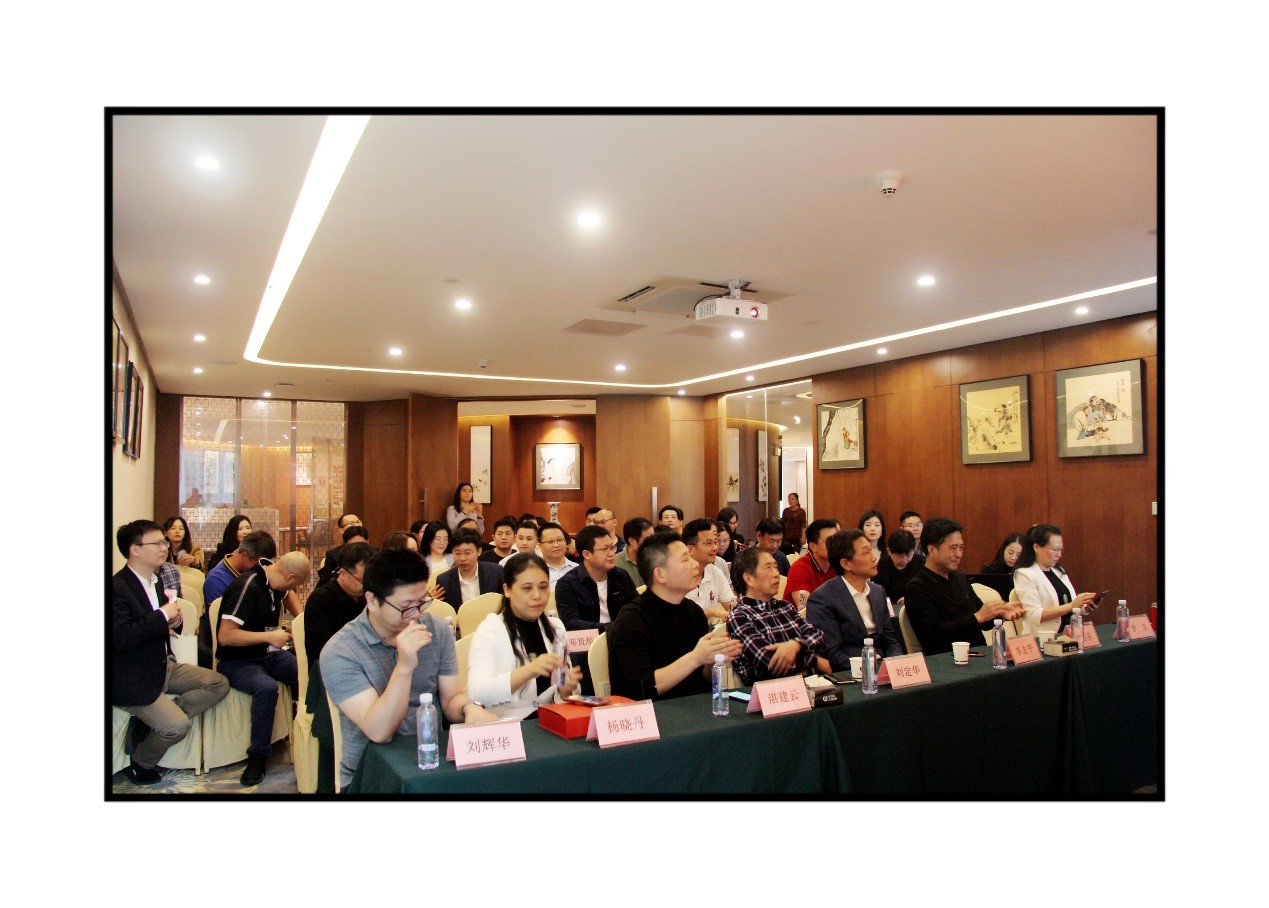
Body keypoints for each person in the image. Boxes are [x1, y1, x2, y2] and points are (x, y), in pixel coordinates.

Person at [321, 548, 498, 791]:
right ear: (371, 600)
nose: (415, 616)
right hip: (370, 775)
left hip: (430, 762)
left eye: (422, 602)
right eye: (406, 606)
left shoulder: (436, 629)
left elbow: (450, 699)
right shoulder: (340, 651)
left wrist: (468, 708)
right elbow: (379, 731)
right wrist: (404, 666)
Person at [113, 520, 229, 785]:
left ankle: (151, 722)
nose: (164, 547)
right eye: (157, 543)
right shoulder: (117, 588)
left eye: (164, 542)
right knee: (176, 726)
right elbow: (121, 637)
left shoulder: (155, 581)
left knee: (218, 683)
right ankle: (141, 763)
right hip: (132, 675)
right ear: (135, 550)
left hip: (163, 664)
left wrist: (173, 620)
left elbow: (158, 623)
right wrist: (162, 615)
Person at [606, 533, 741, 701]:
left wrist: (712, 660)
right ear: (660, 574)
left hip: (693, 707)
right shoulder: (632, 619)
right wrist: (695, 658)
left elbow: (701, 679)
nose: (695, 564)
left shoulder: (693, 612)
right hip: (649, 712)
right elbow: (640, 687)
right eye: (685, 559)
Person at [215, 551, 310, 785]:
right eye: (296, 584)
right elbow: (225, 636)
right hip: (236, 660)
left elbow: (288, 594)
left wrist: (300, 622)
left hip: (267, 654)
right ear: (289, 577)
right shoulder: (246, 587)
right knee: (266, 688)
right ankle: (257, 756)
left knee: (308, 672)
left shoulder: (275, 581)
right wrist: (268, 637)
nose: (294, 589)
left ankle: (311, 733)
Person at [466, 553, 584, 719]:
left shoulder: (556, 628)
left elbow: (564, 690)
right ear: (507, 590)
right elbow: (477, 694)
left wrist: (566, 687)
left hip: (552, 720)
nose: (537, 595)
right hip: (506, 724)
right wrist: (528, 671)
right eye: (527, 588)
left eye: (543, 587)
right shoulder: (490, 630)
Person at [902, 518, 1021, 656]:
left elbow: (983, 621)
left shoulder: (960, 578)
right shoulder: (917, 588)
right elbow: (933, 635)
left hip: (980, 654)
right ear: (932, 549)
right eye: (953, 548)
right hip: (948, 660)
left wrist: (1000, 613)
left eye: (961, 548)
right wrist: (977, 617)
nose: (958, 554)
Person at [727, 546, 829, 684]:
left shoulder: (785, 606)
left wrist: (795, 645)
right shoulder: (740, 616)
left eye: (775, 567)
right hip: (768, 690)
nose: (776, 574)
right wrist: (814, 661)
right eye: (768, 568)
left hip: (806, 684)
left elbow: (819, 636)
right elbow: (769, 661)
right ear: (749, 578)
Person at [806, 528, 905, 669]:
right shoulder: (822, 598)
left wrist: (895, 663)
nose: (873, 557)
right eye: (866, 552)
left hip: (883, 665)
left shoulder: (878, 591)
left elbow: (890, 640)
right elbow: (832, 653)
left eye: (871, 550)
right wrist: (871, 668)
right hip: (851, 670)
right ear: (846, 564)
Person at [201, 530, 278, 668]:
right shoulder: (216, 579)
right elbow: (222, 624)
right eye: (259, 563)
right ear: (244, 555)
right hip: (233, 650)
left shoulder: (257, 574)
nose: (263, 568)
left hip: (256, 643)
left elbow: (286, 590)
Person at [1012, 523, 1098, 636]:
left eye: (1061, 550)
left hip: (1069, 634)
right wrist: (1072, 606)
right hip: (1043, 638)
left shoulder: (1059, 570)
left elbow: (1068, 605)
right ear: (1037, 547)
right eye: (1055, 550)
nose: (1059, 555)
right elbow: (1034, 615)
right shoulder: (1024, 574)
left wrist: (1084, 607)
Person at [304, 542, 378, 666]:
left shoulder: (367, 597)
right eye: (361, 581)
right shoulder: (320, 599)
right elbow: (322, 648)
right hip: (331, 664)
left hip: (364, 659)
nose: (367, 587)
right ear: (343, 573)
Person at [555, 524, 639, 632]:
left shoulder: (621, 576)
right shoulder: (567, 584)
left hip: (622, 636)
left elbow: (636, 609)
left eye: (612, 547)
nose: (611, 553)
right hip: (590, 639)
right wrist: (611, 627)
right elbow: (570, 623)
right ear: (587, 554)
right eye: (604, 549)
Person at [681, 517, 736, 622]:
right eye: (708, 543)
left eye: (715, 542)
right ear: (690, 549)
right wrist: (712, 612)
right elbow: (676, 616)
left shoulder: (715, 572)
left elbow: (731, 605)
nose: (715, 548)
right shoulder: (676, 576)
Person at [436, 528, 503, 605]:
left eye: (467, 553)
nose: (462, 558)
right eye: (457, 553)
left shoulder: (496, 572)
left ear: (479, 551)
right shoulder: (444, 580)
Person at [784, 518, 840, 608]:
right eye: (830, 541)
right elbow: (804, 606)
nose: (836, 545)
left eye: (837, 540)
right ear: (813, 546)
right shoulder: (799, 569)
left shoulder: (840, 564)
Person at [874, 529, 924, 607]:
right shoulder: (881, 567)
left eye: (908, 555)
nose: (904, 560)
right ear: (889, 551)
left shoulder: (922, 564)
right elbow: (878, 596)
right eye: (899, 556)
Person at [318, 521, 369, 586]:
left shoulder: (376, 556)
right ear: (345, 545)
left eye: (360, 544)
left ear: (367, 542)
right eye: (352, 545)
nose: (357, 548)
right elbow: (326, 581)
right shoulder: (334, 556)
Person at [534, 522, 577, 589]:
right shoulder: (535, 572)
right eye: (550, 542)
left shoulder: (577, 569)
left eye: (559, 540)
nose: (556, 545)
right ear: (540, 547)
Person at [615, 517, 654, 588]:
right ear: (632, 541)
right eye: (647, 540)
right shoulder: (615, 564)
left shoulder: (656, 560)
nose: (652, 543)